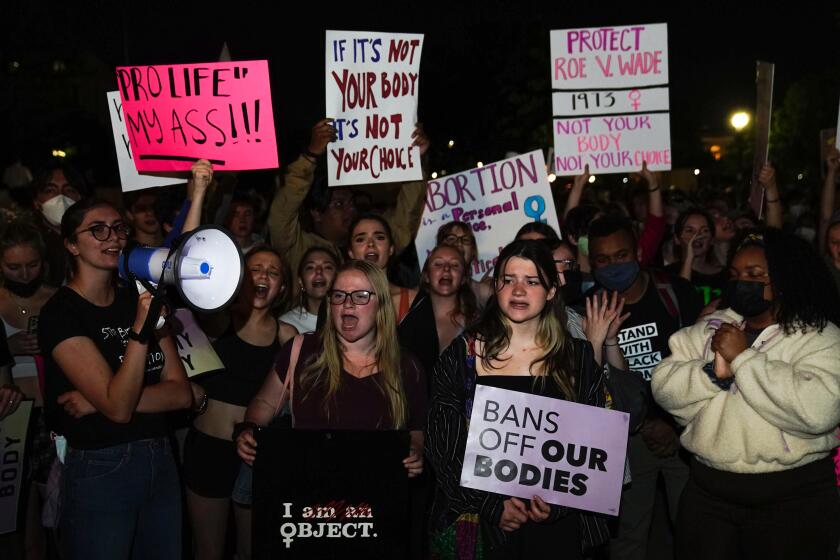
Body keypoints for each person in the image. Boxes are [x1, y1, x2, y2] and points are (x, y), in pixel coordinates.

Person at [651, 228, 840, 559]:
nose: (742, 283)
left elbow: (820, 410)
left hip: (793, 500)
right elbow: (664, 388)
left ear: (783, 279)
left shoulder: (821, 335)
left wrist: (744, 359)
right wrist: (712, 374)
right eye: (736, 275)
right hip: (710, 497)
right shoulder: (710, 328)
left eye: (754, 275)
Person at [427, 240, 609, 559]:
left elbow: (597, 448)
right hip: (485, 527)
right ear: (496, 287)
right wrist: (491, 505)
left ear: (552, 291)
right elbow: (442, 444)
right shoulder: (463, 357)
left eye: (532, 281)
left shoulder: (579, 359)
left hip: (557, 532)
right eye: (509, 280)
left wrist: (558, 504)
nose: (519, 290)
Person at [39, 198, 192, 559]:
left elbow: (181, 393)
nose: (114, 237)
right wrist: (139, 333)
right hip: (102, 468)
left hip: (160, 456)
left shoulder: (138, 298)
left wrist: (98, 401)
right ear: (71, 244)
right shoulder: (61, 314)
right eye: (97, 229)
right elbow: (121, 410)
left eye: (119, 228)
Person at [235, 259, 426, 472]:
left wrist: (415, 451)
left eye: (360, 296)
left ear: (381, 303)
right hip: (310, 490)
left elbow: (416, 428)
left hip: (374, 494)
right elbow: (265, 402)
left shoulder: (407, 366)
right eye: (338, 295)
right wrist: (249, 428)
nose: (347, 303)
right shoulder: (302, 350)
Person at [585, 214, 702, 560]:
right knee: (627, 537)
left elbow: (700, 362)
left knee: (694, 530)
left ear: (637, 251)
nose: (612, 266)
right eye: (602, 260)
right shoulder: (590, 307)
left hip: (683, 431)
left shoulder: (675, 293)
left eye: (620, 255)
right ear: (592, 263)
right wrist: (645, 422)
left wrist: (668, 421)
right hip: (628, 439)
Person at [185, 246, 289, 560]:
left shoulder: (287, 335)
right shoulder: (216, 321)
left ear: (282, 288)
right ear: (241, 277)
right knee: (209, 552)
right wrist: (187, 389)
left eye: (273, 272)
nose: (263, 277)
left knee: (251, 551)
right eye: (256, 269)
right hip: (208, 452)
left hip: (254, 456)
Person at [268, 119, 429, 282]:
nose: (351, 210)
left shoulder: (369, 244)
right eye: (339, 204)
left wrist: (414, 162)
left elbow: (405, 219)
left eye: (352, 203)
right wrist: (310, 157)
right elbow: (282, 214)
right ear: (317, 213)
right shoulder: (298, 248)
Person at [0, 221, 58, 558]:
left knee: (58, 500)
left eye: (32, 265)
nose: (24, 274)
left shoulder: (58, 298)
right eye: (13, 267)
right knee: (21, 509)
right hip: (12, 417)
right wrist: (6, 345)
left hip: (53, 413)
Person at [30, 163, 85, 286]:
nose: (61, 196)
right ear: (36, 202)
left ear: (80, 197)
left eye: (69, 190)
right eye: (50, 190)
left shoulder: (93, 239)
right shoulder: (29, 242)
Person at [423, 245, 478, 355]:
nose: (446, 269)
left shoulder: (476, 324)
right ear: (426, 276)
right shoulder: (407, 316)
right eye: (438, 264)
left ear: (463, 278)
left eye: (454, 265)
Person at [666, 208, 727, 307]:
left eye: (704, 231)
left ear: (711, 240)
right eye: (689, 230)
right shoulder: (667, 274)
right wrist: (689, 258)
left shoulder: (726, 275)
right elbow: (679, 306)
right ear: (677, 239)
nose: (697, 236)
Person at [279, 246, 338, 335]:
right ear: (301, 281)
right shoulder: (286, 324)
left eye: (327, 267)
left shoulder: (348, 318)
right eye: (310, 267)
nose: (319, 271)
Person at [436, 220, 493, 308]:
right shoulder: (426, 292)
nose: (459, 243)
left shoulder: (484, 293)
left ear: (473, 251)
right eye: (451, 239)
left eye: (465, 240)